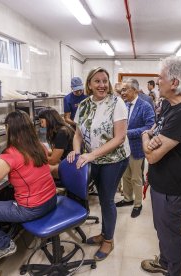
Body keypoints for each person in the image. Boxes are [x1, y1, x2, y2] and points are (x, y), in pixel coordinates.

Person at [0, 111, 57, 264]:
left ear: (9, 129)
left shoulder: (10, 154)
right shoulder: (38, 146)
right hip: (51, 200)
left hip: (32, 208)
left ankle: (3, 245)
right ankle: (9, 234)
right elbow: (25, 163)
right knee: (7, 195)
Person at [140, 56, 181, 276]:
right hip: (159, 183)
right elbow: (154, 130)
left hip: (172, 188)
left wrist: (145, 139)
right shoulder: (169, 105)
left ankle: (174, 270)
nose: (158, 81)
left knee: (171, 235)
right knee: (161, 229)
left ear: (174, 82)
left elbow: (153, 156)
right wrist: (149, 138)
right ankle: (165, 262)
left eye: (161, 77)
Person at [67, 67, 130, 261]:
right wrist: (76, 152)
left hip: (115, 159)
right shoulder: (84, 104)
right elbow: (78, 134)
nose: (102, 85)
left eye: (105, 81)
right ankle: (103, 233)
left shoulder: (116, 102)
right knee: (99, 196)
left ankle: (108, 240)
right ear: (89, 84)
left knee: (106, 199)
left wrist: (91, 155)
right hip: (93, 157)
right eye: (97, 81)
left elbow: (119, 138)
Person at [116, 78, 155, 218]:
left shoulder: (145, 106)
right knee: (125, 176)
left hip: (137, 148)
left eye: (125, 89)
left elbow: (150, 126)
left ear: (134, 90)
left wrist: (128, 133)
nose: (122, 92)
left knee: (136, 178)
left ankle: (138, 204)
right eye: (122, 90)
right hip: (124, 148)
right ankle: (128, 198)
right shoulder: (124, 105)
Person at [38, 107, 74, 177]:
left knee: (42, 168)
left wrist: (37, 158)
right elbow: (57, 151)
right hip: (69, 162)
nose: (41, 125)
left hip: (72, 167)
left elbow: (53, 160)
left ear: (49, 119)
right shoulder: (63, 128)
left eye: (42, 121)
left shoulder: (62, 132)